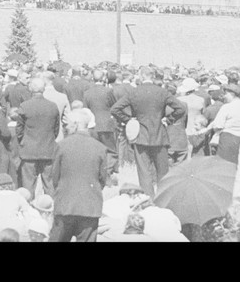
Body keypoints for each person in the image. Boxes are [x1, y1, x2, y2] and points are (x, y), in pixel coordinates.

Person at [110, 66, 185, 196]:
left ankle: (148, 199)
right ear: (153, 76)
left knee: (144, 172)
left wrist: (129, 120)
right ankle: (164, 198)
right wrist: (168, 120)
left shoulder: (134, 92)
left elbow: (115, 109)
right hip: (159, 135)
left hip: (141, 135)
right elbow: (180, 108)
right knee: (163, 172)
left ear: (141, 76)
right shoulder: (162, 92)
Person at [50, 110, 108, 242]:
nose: (65, 128)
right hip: (90, 206)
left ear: (75, 125)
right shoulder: (100, 147)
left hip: (65, 205)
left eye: (67, 125)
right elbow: (102, 179)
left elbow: (55, 177)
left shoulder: (61, 145)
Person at [16, 78, 60, 197]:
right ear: (44, 89)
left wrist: (23, 141)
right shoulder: (52, 106)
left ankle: (28, 207)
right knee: (49, 183)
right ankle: (50, 207)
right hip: (48, 149)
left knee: (28, 184)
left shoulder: (25, 106)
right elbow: (56, 129)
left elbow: (19, 130)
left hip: (29, 149)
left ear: (31, 89)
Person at [204, 85, 240, 164]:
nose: (224, 96)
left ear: (231, 94)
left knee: (224, 164)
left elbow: (218, 125)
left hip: (227, 138)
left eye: (226, 94)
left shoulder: (226, 107)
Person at [83, 70, 118, 175]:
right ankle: (107, 172)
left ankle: (97, 172)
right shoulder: (108, 91)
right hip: (107, 124)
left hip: (93, 125)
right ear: (103, 78)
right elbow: (114, 105)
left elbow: (85, 110)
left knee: (94, 151)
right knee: (111, 151)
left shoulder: (87, 93)